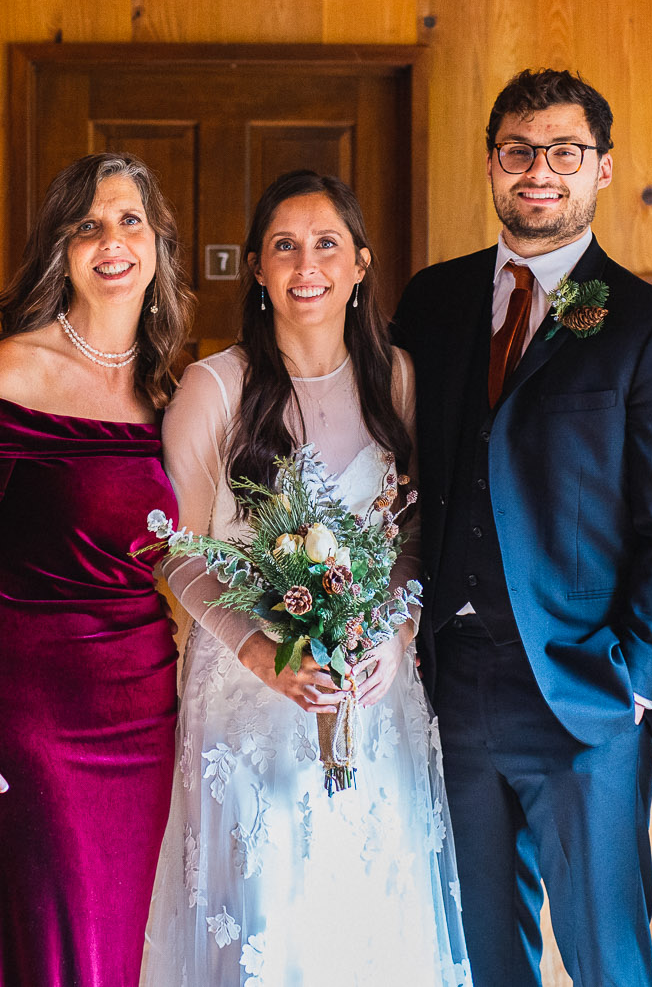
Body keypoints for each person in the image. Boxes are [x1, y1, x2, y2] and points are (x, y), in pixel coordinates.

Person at [391, 69, 652, 987]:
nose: (540, 170)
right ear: (492, 164)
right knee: (481, 958)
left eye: (565, 152)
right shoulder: (432, 302)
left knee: (608, 960)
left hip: (587, 690)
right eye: (520, 151)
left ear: (602, 168)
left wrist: (640, 681)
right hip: (450, 683)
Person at [143, 170, 473, 986]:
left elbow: (412, 531)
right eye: (284, 246)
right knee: (270, 922)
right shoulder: (214, 386)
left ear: (360, 263)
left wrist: (395, 634)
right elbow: (179, 550)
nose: (306, 264)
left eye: (327, 243)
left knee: (368, 924)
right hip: (249, 697)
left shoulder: (398, 378)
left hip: (373, 691)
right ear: (257, 268)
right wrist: (259, 651)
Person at [0, 152, 194, 987]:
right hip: (30, 715)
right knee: (50, 948)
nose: (112, 241)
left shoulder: (167, 389)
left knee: (119, 948)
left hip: (141, 708)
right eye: (88, 226)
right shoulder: (15, 369)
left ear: (158, 243)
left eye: (130, 221)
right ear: (61, 250)